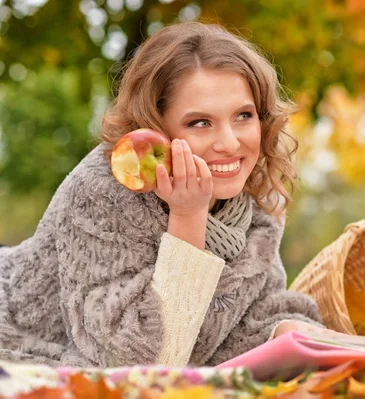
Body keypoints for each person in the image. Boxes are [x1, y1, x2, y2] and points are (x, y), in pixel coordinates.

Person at [0, 22, 333, 368]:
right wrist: (188, 217)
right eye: (200, 123)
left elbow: (242, 319)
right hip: (17, 332)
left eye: (243, 116)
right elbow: (135, 360)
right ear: (154, 128)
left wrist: (289, 330)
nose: (230, 144)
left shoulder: (252, 204)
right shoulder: (103, 191)